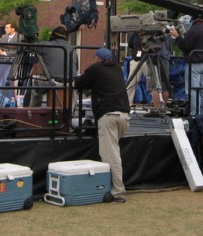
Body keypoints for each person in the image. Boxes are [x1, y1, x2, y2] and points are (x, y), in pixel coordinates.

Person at [74, 47, 131, 203]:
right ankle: (109, 187)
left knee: (111, 156)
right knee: (114, 152)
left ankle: (117, 192)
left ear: (97, 58)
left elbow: (79, 83)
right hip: (124, 115)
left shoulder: (95, 68)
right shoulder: (118, 69)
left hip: (109, 115)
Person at [171, 13, 203, 117]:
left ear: (193, 18)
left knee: (193, 91)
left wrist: (177, 37)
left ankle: (194, 115)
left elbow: (185, 45)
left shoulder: (194, 30)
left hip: (194, 63)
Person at [29, 25, 78, 108]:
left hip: (53, 81)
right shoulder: (73, 49)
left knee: (35, 84)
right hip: (71, 82)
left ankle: (33, 112)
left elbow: (29, 47)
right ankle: (71, 112)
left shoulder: (46, 45)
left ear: (53, 35)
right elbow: (76, 67)